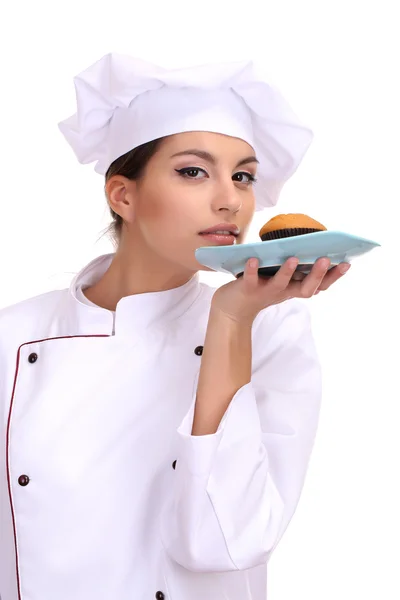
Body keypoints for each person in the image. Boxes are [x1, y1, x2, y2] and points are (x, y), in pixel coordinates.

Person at [0, 53, 350, 600]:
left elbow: (224, 543)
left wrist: (231, 319)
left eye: (243, 176)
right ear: (123, 194)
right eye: (193, 171)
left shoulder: (272, 330)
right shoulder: (12, 337)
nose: (230, 200)